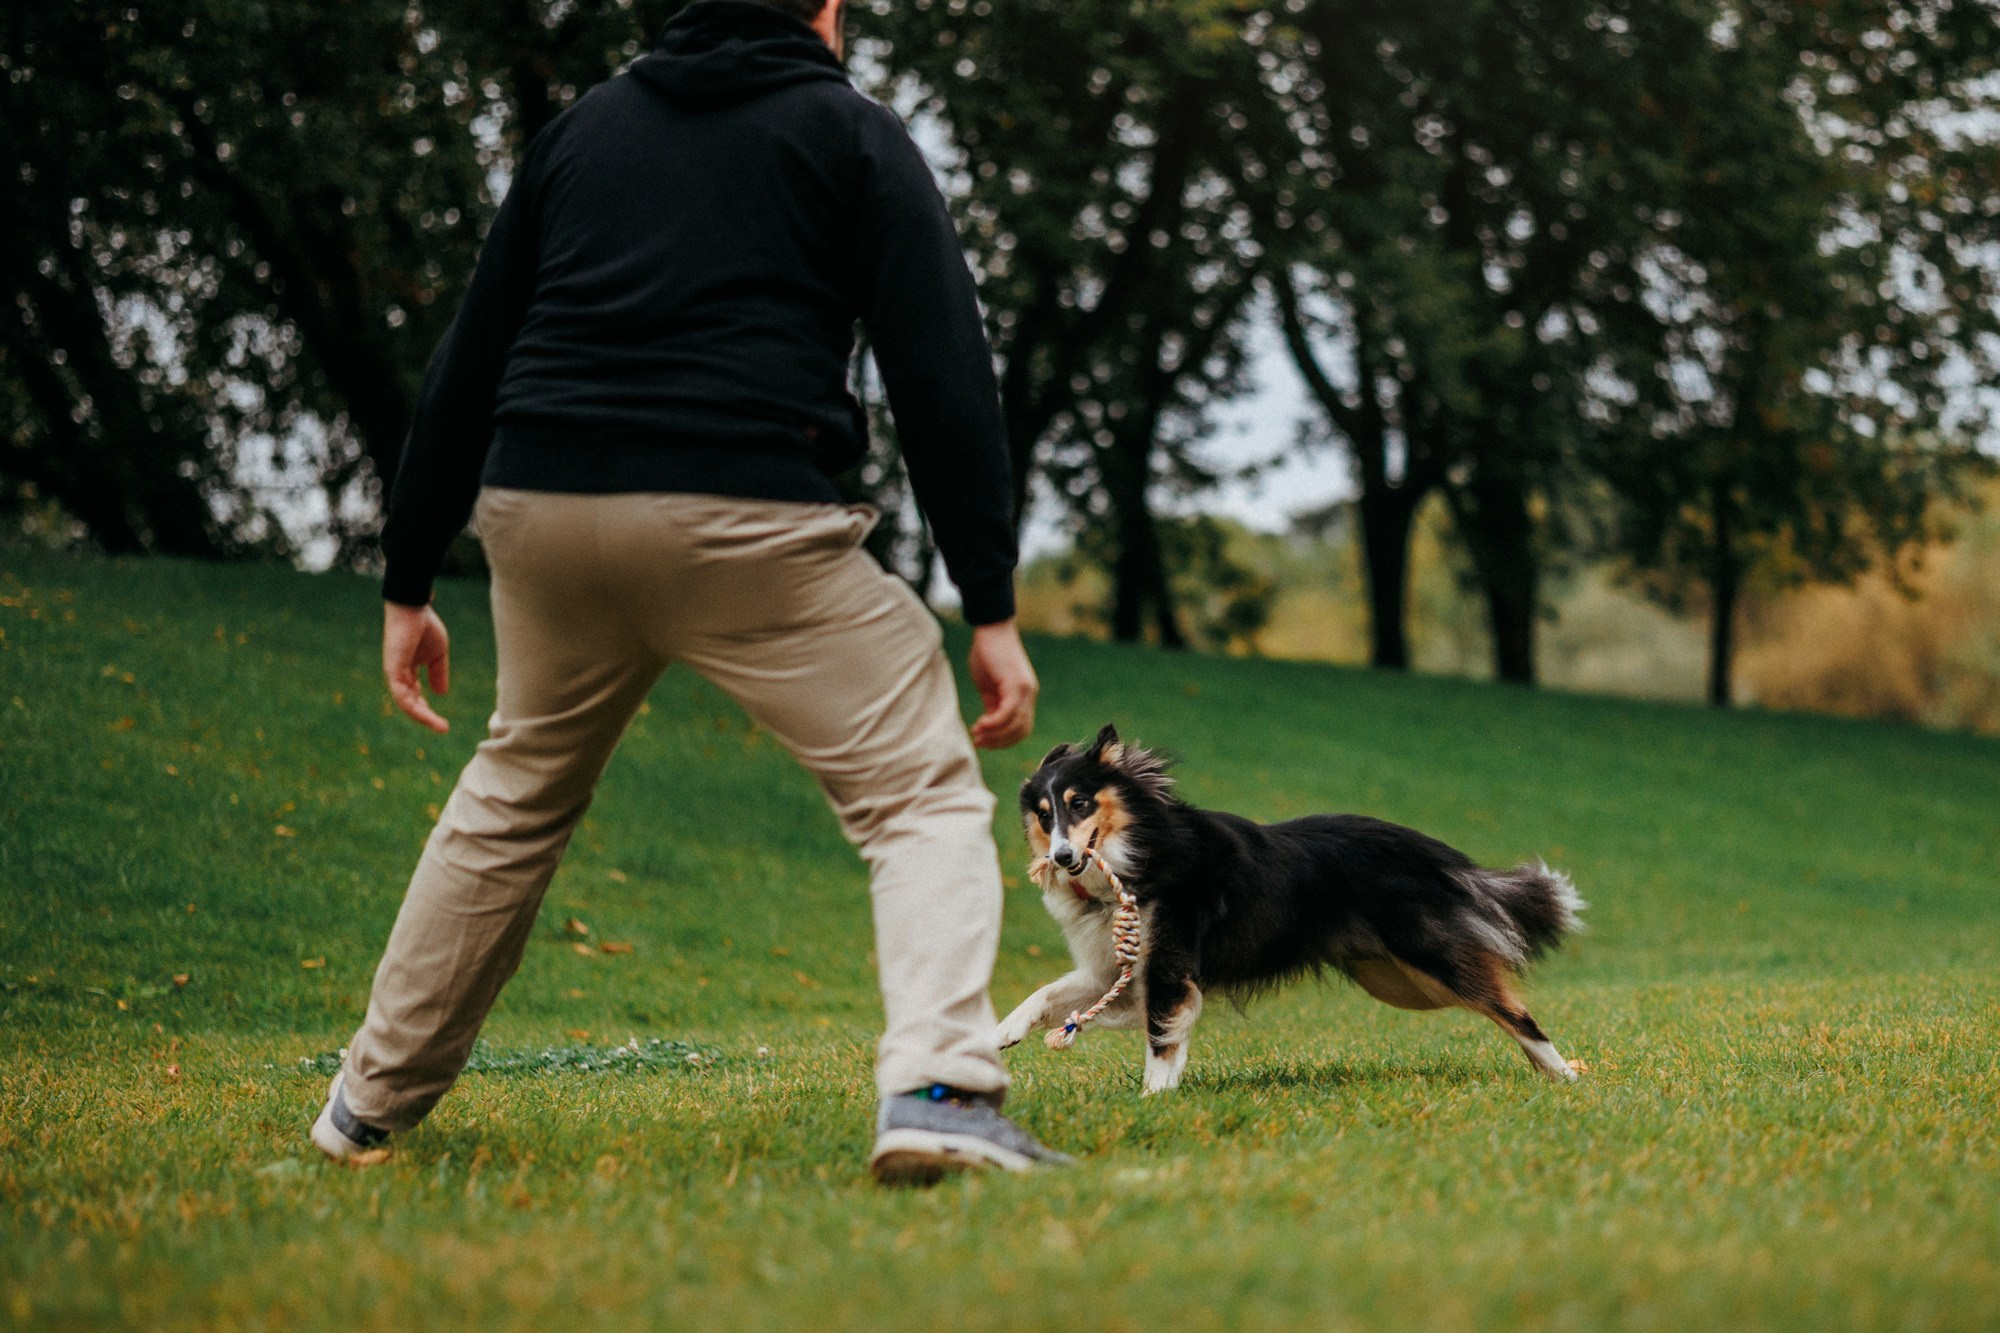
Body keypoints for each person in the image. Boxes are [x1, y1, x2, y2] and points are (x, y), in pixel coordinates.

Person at [310, 0, 1069, 1181]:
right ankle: (940, 1092)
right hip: (743, 516)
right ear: (822, 9)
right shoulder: (851, 134)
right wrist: (990, 602)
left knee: (512, 797)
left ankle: (362, 1107)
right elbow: (940, 367)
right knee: (917, 796)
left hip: (542, 510)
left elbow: (473, 349)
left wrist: (407, 572)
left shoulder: (584, 131)